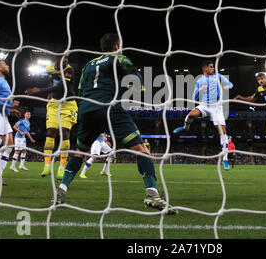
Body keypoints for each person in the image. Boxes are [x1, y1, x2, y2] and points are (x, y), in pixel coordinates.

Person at [55, 33, 177, 214]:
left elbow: (81, 89)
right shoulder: (119, 58)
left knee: (80, 153)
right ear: (116, 46)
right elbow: (137, 83)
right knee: (142, 151)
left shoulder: (88, 65)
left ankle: (61, 190)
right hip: (110, 108)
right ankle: (151, 193)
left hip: (87, 109)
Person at [173, 60, 233, 170]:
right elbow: (193, 98)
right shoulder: (200, 81)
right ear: (205, 69)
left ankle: (225, 160)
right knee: (191, 115)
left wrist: (228, 86)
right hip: (204, 105)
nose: (213, 69)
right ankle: (185, 127)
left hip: (217, 107)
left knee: (223, 131)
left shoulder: (218, 76)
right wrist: (199, 90)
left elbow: (230, 84)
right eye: (211, 67)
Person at [25, 55, 78, 179]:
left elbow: (61, 86)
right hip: (54, 104)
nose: (66, 61)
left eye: (67, 59)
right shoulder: (50, 68)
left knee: (65, 132)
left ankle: (61, 167)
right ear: (57, 59)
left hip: (68, 104)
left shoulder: (69, 70)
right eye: (64, 58)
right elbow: (52, 81)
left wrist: (40, 90)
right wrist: (49, 92)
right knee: (51, 132)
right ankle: (47, 165)